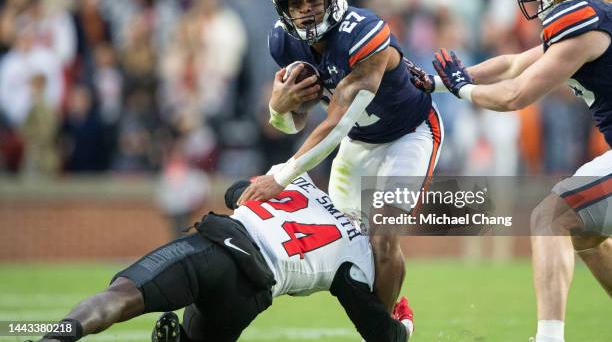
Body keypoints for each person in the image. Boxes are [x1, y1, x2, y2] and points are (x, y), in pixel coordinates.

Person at [412, 0, 611, 341]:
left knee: (549, 216)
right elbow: (513, 63)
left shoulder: (585, 22)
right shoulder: (593, 15)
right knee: (585, 233)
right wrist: (437, 83)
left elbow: (515, 95)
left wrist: (462, 91)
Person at [237, 0, 443, 311]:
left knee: (382, 238)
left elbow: (337, 122)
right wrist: (279, 107)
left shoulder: (363, 34)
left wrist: (281, 177)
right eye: (295, 2)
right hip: (359, 141)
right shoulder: (284, 42)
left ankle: (383, 330)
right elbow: (292, 124)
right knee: (347, 247)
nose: (305, 9)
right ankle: (394, 312)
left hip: (408, 134)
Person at [37, 167, 414, 342]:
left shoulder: (297, 179)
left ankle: (51, 339)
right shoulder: (361, 254)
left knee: (121, 297)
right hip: (252, 294)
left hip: (219, 245)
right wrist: (404, 324)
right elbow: (383, 336)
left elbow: (236, 191)